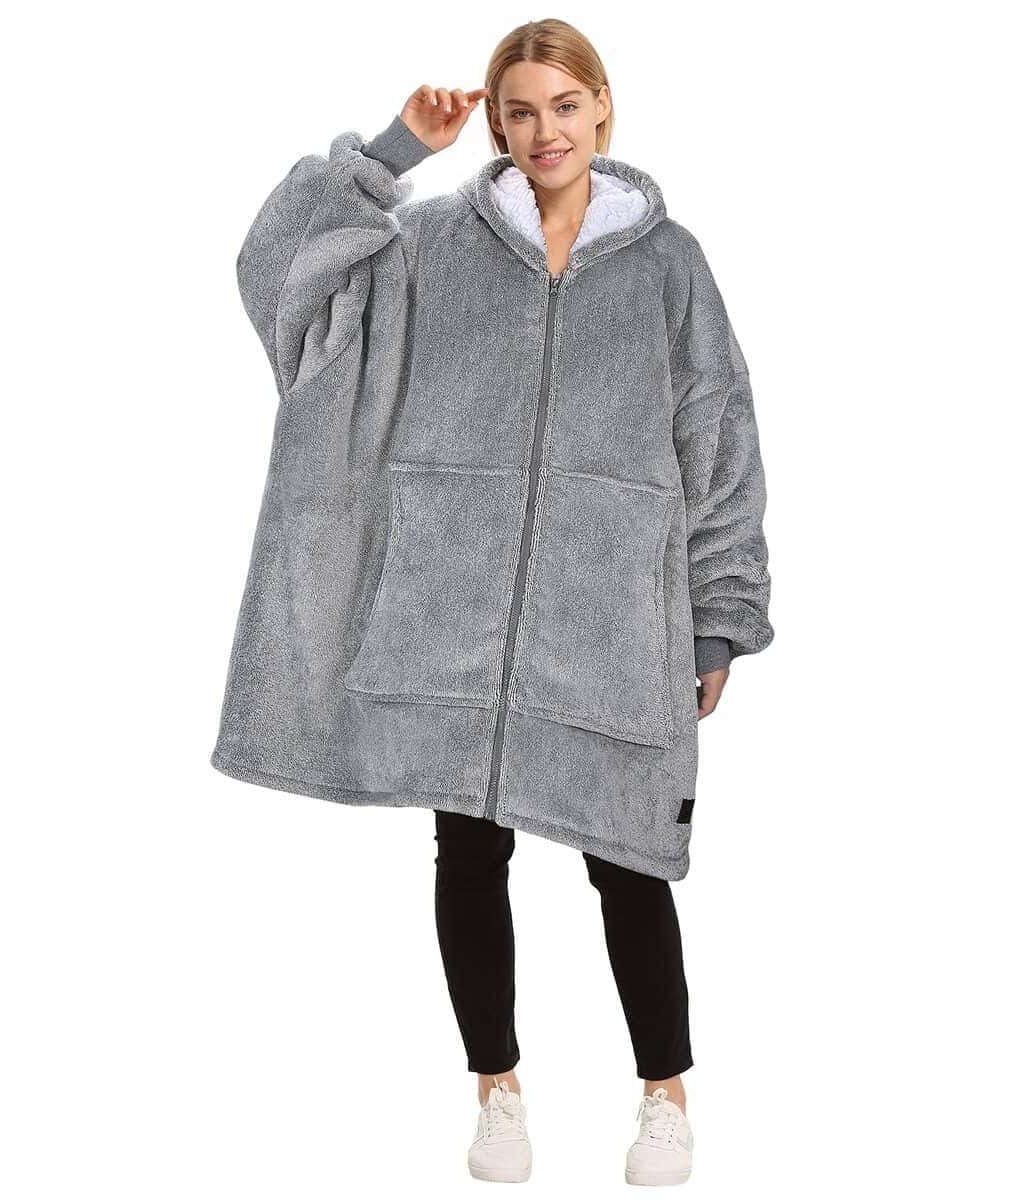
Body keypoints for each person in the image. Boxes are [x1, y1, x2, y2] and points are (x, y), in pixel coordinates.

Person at [212, 18, 773, 1187]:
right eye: (519, 110)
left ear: (602, 108)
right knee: (466, 854)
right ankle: (496, 1090)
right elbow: (283, 279)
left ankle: (664, 1097)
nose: (543, 130)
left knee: (630, 864)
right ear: (499, 123)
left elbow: (718, 438)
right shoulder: (428, 248)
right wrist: (390, 153)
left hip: (610, 616)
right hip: (450, 614)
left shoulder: (671, 264)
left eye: (564, 105)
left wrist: (718, 612)